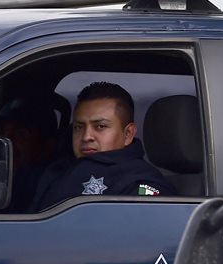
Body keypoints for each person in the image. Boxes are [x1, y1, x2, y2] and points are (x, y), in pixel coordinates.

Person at [33, 81, 172, 210]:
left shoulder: (140, 184)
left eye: (100, 126)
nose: (86, 137)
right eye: (79, 127)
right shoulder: (57, 169)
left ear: (128, 134)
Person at [0, 96, 60, 212]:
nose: (6, 142)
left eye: (20, 134)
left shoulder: (50, 189)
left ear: (48, 144)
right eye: (0, 133)